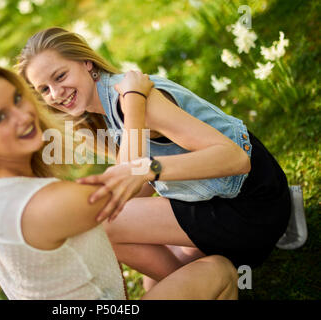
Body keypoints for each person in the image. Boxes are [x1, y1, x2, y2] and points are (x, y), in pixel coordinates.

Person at [16, 27, 293, 289]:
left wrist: (149, 166)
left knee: (102, 225)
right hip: (213, 202)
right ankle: (197, 285)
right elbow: (133, 178)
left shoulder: (137, 100)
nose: (56, 93)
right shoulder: (99, 118)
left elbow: (236, 159)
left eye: (60, 76)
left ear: (86, 63)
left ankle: (202, 286)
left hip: (252, 207)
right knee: (153, 281)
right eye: (44, 89)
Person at [0, 63, 238, 300]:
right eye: (0, 118)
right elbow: (128, 177)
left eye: (18, 98)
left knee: (167, 273)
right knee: (218, 271)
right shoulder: (49, 204)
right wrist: (133, 102)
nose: (23, 117)